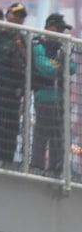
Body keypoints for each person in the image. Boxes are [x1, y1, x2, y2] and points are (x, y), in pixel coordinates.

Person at [31, 12, 76, 174]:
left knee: (58, 135)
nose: (61, 33)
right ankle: (37, 165)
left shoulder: (62, 47)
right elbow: (44, 67)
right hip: (44, 97)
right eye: (58, 28)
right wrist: (59, 66)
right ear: (49, 27)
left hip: (60, 98)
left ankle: (57, 167)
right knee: (42, 133)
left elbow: (72, 68)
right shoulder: (38, 44)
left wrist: (58, 66)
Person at [0, 3, 27, 163]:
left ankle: (7, 159)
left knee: (11, 127)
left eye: (22, 16)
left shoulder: (24, 40)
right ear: (8, 15)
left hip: (13, 90)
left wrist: (18, 50)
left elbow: (22, 66)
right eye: (16, 14)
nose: (19, 18)